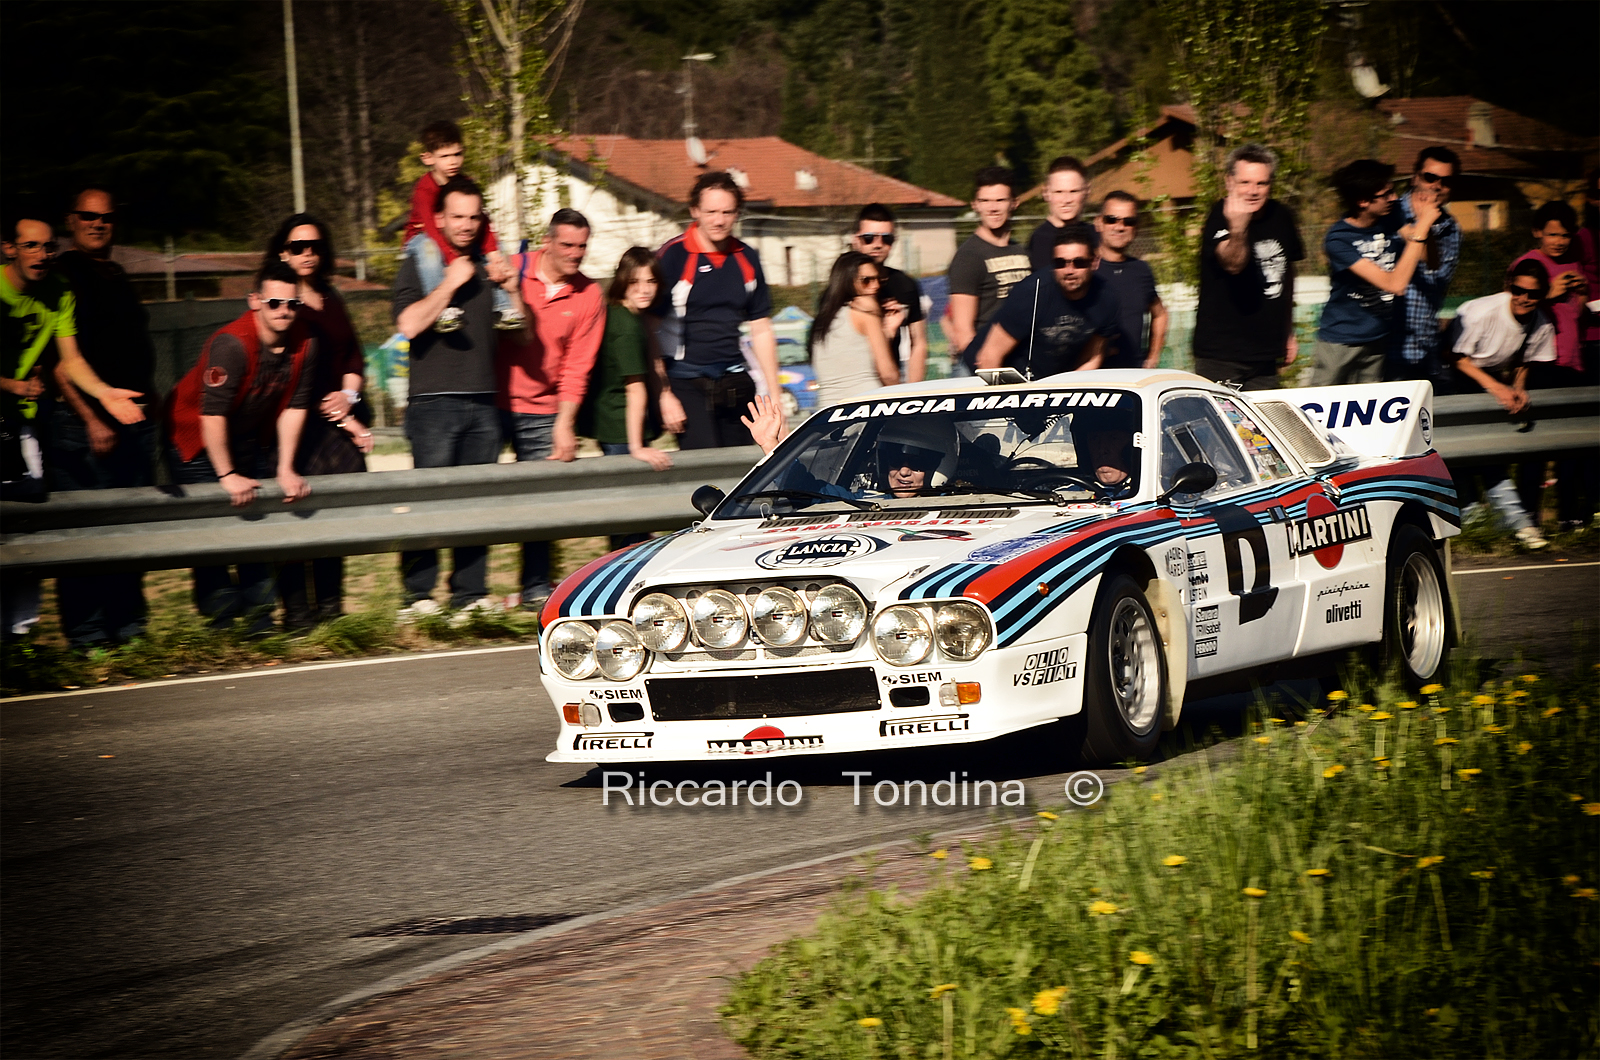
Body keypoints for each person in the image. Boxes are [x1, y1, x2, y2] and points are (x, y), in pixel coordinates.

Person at [3, 208, 146, 639]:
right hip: (10, 407)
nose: (42, 254)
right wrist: (11, 385)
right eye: (30, 245)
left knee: (23, 534)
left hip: (19, 427)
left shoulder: (59, 289)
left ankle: (19, 643)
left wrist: (103, 393)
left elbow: (72, 359)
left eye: (48, 246)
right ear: (9, 249)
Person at [393, 176, 526, 617]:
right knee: (429, 504)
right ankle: (418, 598)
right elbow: (409, 325)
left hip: (484, 400)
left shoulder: (490, 263)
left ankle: (469, 595)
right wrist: (449, 285)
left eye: (474, 217)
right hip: (433, 402)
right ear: (439, 218)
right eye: (458, 217)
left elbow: (520, 331)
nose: (467, 225)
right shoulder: (421, 262)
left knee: (477, 507)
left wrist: (511, 287)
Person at [165, 261, 316, 632]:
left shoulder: (305, 345)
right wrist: (227, 474)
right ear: (255, 301)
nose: (284, 311)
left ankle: (259, 620)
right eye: (275, 303)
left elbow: (294, 407)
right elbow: (210, 415)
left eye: (292, 304)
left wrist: (286, 467)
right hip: (195, 439)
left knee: (255, 527)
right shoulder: (232, 344)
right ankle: (221, 622)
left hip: (245, 439)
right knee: (212, 534)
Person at [48, 186, 159, 649]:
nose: (98, 224)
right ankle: (90, 637)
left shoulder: (115, 273)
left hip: (133, 426)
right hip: (87, 427)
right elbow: (58, 360)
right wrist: (91, 420)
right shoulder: (61, 276)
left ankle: (129, 629)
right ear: (71, 221)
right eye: (88, 217)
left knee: (127, 535)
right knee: (87, 538)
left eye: (106, 218)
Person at [265, 214, 373, 632]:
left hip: (334, 426)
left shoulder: (331, 297)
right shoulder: (280, 307)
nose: (306, 253)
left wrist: (348, 399)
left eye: (314, 246)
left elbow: (352, 357)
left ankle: (330, 610)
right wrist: (344, 419)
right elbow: (287, 378)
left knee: (332, 521)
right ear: (282, 253)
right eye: (297, 247)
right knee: (294, 522)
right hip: (293, 426)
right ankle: (295, 614)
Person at [496, 208, 605, 610]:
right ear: (548, 241)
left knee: (541, 502)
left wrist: (565, 423)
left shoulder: (589, 294)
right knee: (472, 497)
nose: (575, 254)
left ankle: (535, 586)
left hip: (543, 408)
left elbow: (578, 365)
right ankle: (465, 595)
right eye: (567, 245)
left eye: (582, 246)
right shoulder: (509, 270)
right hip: (492, 400)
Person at [647, 171, 779, 450]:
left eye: (727, 212)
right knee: (705, 469)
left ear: (738, 213)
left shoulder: (747, 257)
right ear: (695, 210)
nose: (719, 220)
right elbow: (648, 327)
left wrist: (775, 399)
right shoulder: (673, 256)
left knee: (744, 467)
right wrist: (663, 394)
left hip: (734, 378)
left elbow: (761, 328)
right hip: (685, 380)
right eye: (711, 212)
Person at [1439, 261, 1557, 549]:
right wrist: (1496, 388)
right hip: (1451, 377)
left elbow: (1524, 360)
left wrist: (1518, 388)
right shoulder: (1482, 312)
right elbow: (1455, 357)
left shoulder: (1541, 322)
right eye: (1518, 290)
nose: (1524, 298)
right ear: (1509, 288)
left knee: (1490, 456)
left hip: (1488, 379)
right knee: (1462, 457)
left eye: (1533, 293)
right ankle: (1488, 523)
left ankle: (1511, 524)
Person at [1310, 159, 1441, 386]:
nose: (1394, 198)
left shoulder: (1391, 216)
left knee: (1367, 414)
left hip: (1377, 339)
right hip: (1340, 342)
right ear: (1362, 201)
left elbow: (1429, 260)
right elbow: (1394, 284)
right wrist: (1423, 225)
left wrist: (1423, 225)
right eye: (1386, 194)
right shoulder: (1339, 239)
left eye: (1393, 190)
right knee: (1323, 411)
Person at [1191, 144, 1305, 390]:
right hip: (1222, 356)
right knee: (1224, 428)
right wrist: (1239, 228)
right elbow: (1233, 264)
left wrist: (1288, 331)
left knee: (1264, 427)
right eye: (1245, 183)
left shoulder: (1282, 215)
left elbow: (1287, 274)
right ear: (1229, 182)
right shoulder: (1220, 216)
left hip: (1266, 355)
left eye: (1261, 184)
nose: (1253, 191)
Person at [582, 246, 673, 552]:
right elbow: (635, 388)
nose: (644, 289)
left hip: (616, 423)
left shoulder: (625, 315)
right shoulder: (625, 327)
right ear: (623, 282)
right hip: (620, 427)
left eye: (651, 281)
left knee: (631, 520)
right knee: (628, 520)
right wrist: (637, 447)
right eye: (635, 282)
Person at [1512, 200, 1595, 532]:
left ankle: (1570, 515)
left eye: (1565, 235)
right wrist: (1549, 292)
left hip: (1573, 364)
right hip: (1540, 365)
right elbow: (1516, 307)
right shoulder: (1528, 263)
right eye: (1552, 234)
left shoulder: (1574, 263)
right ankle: (1527, 517)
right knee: (1535, 449)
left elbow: (1577, 314)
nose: (1559, 241)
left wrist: (1584, 294)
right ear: (1537, 233)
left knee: (1571, 448)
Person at [393, 121, 517, 338]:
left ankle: (504, 308)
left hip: (451, 237)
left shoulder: (465, 182)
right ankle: (444, 310)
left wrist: (493, 252)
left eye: (457, 154)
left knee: (500, 248)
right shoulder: (424, 189)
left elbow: (483, 221)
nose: (453, 162)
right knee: (429, 249)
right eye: (445, 156)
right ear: (428, 158)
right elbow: (432, 228)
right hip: (421, 238)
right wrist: (453, 260)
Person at [971, 223, 1119, 377]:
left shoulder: (1106, 299)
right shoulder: (1031, 294)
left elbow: (1091, 358)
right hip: (984, 372)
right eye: (1060, 263)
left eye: (1079, 263)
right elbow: (989, 358)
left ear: (1094, 262)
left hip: (1045, 378)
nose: (1069, 271)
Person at [1387, 147, 1462, 382]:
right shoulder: (1389, 214)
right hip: (1384, 347)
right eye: (1430, 177)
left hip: (1424, 349)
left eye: (1445, 182)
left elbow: (1435, 274)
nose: (1436, 186)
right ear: (1415, 177)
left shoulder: (1452, 230)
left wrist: (1424, 224)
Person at [947, 167, 1032, 367]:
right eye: (985, 201)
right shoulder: (968, 257)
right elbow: (963, 332)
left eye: (1000, 200)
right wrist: (989, 374)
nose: (992, 208)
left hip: (1022, 362)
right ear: (975, 205)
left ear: (1014, 203)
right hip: (984, 369)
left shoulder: (1023, 251)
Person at [809, 251, 905, 408]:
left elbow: (851, 357)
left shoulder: (822, 321)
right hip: (866, 406)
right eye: (866, 280)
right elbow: (888, 373)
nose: (875, 286)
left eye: (878, 279)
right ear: (847, 281)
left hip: (829, 410)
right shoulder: (865, 311)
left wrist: (887, 332)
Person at [850, 203, 926, 382]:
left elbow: (919, 342)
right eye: (869, 238)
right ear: (856, 240)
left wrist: (912, 393)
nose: (878, 245)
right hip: (855, 386)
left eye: (886, 239)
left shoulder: (904, 285)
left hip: (892, 384)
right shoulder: (842, 286)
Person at [1093, 191, 1168, 369]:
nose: (1120, 227)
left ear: (1136, 228)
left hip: (1132, 377)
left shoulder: (1141, 270)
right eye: (1112, 219)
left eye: (1129, 221)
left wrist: (1153, 358)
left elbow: (1160, 314)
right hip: (1090, 378)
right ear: (1098, 223)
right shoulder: (1082, 268)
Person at [1027, 156, 1092, 273]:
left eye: (1074, 191)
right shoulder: (1039, 241)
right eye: (1059, 192)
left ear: (1087, 191)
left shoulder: (1096, 235)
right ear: (1046, 193)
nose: (1066, 200)